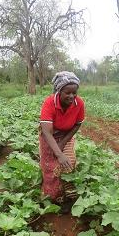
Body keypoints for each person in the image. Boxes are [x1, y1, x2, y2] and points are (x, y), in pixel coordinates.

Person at [39, 71, 85, 213]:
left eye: (74, 93)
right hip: (50, 134)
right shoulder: (50, 102)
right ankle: (50, 198)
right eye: (67, 93)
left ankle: (69, 199)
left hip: (67, 134)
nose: (71, 96)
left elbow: (77, 124)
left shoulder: (79, 103)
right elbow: (46, 131)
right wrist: (58, 153)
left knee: (68, 163)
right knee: (50, 167)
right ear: (59, 91)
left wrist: (63, 143)